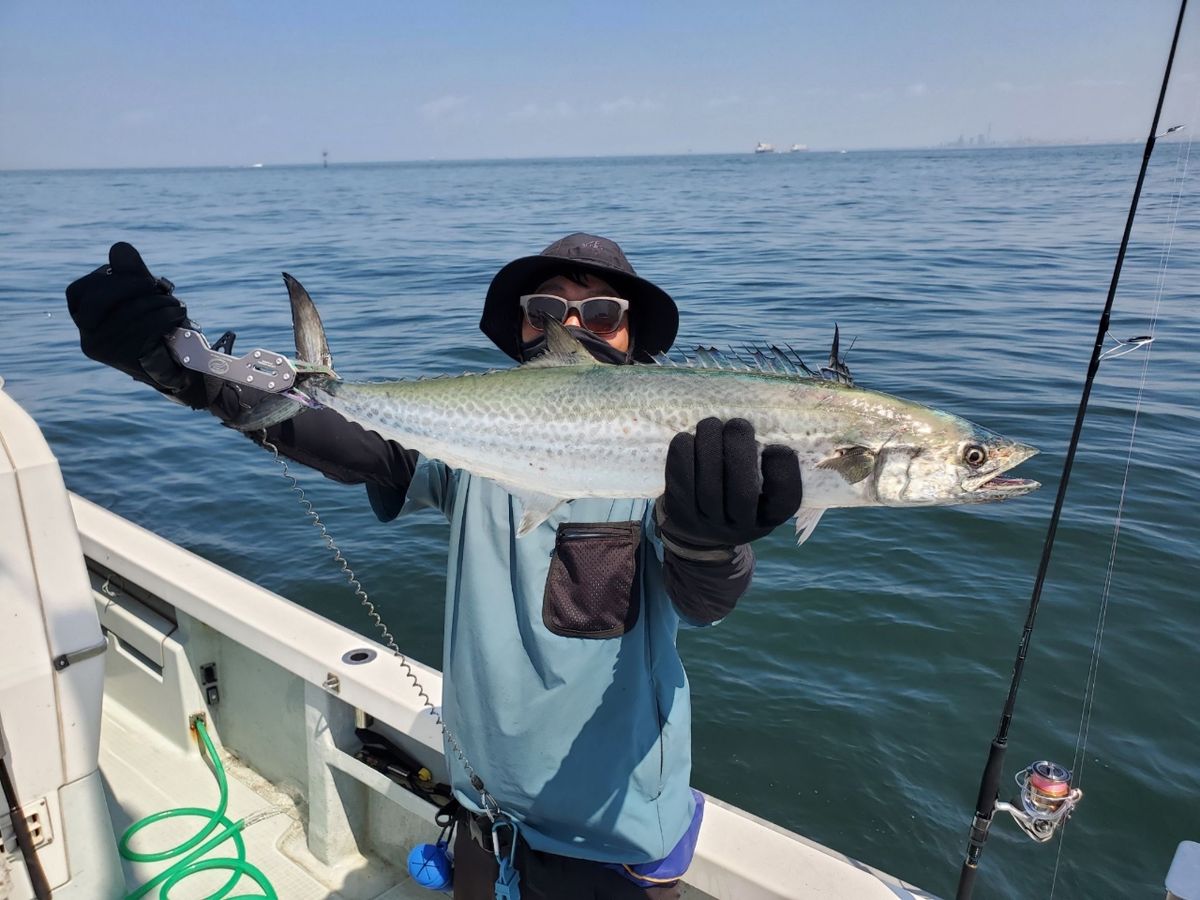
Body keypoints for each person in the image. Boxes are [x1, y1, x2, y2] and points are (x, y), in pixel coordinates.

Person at [67, 233, 802, 899]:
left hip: (613, 838)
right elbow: (358, 443)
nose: (568, 327)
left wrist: (710, 540)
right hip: (482, 810)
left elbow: (703, 599)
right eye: (544, 309)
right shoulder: (476, 439)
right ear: (518, 329)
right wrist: (188, 372)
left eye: (601, 312)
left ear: (634, 338)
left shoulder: (664, 461)